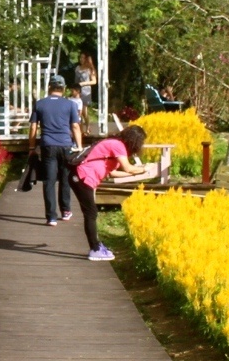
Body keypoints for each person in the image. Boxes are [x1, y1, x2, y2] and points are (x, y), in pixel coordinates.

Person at [71, 124, 149, 261]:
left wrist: (133, 174)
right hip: (83, 176)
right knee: (91, 212)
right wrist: (143, 169)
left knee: (91, 212)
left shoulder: (116, 145)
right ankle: (94, 249)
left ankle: (96, 246)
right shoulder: (117, 145)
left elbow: (113, 173)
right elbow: (128, 168)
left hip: (85, 177)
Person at [28, 74, 83, 227]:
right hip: (66, 145)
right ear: (64, 89)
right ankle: (66, 211)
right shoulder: (70, 104)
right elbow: (75, 126)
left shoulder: (39, 104)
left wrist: (32, 147)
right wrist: (79, 146)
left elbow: (33, 127)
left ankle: (51, 217)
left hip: (47, 145)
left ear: (49, 88)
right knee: (65, 178)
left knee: (49, 181)